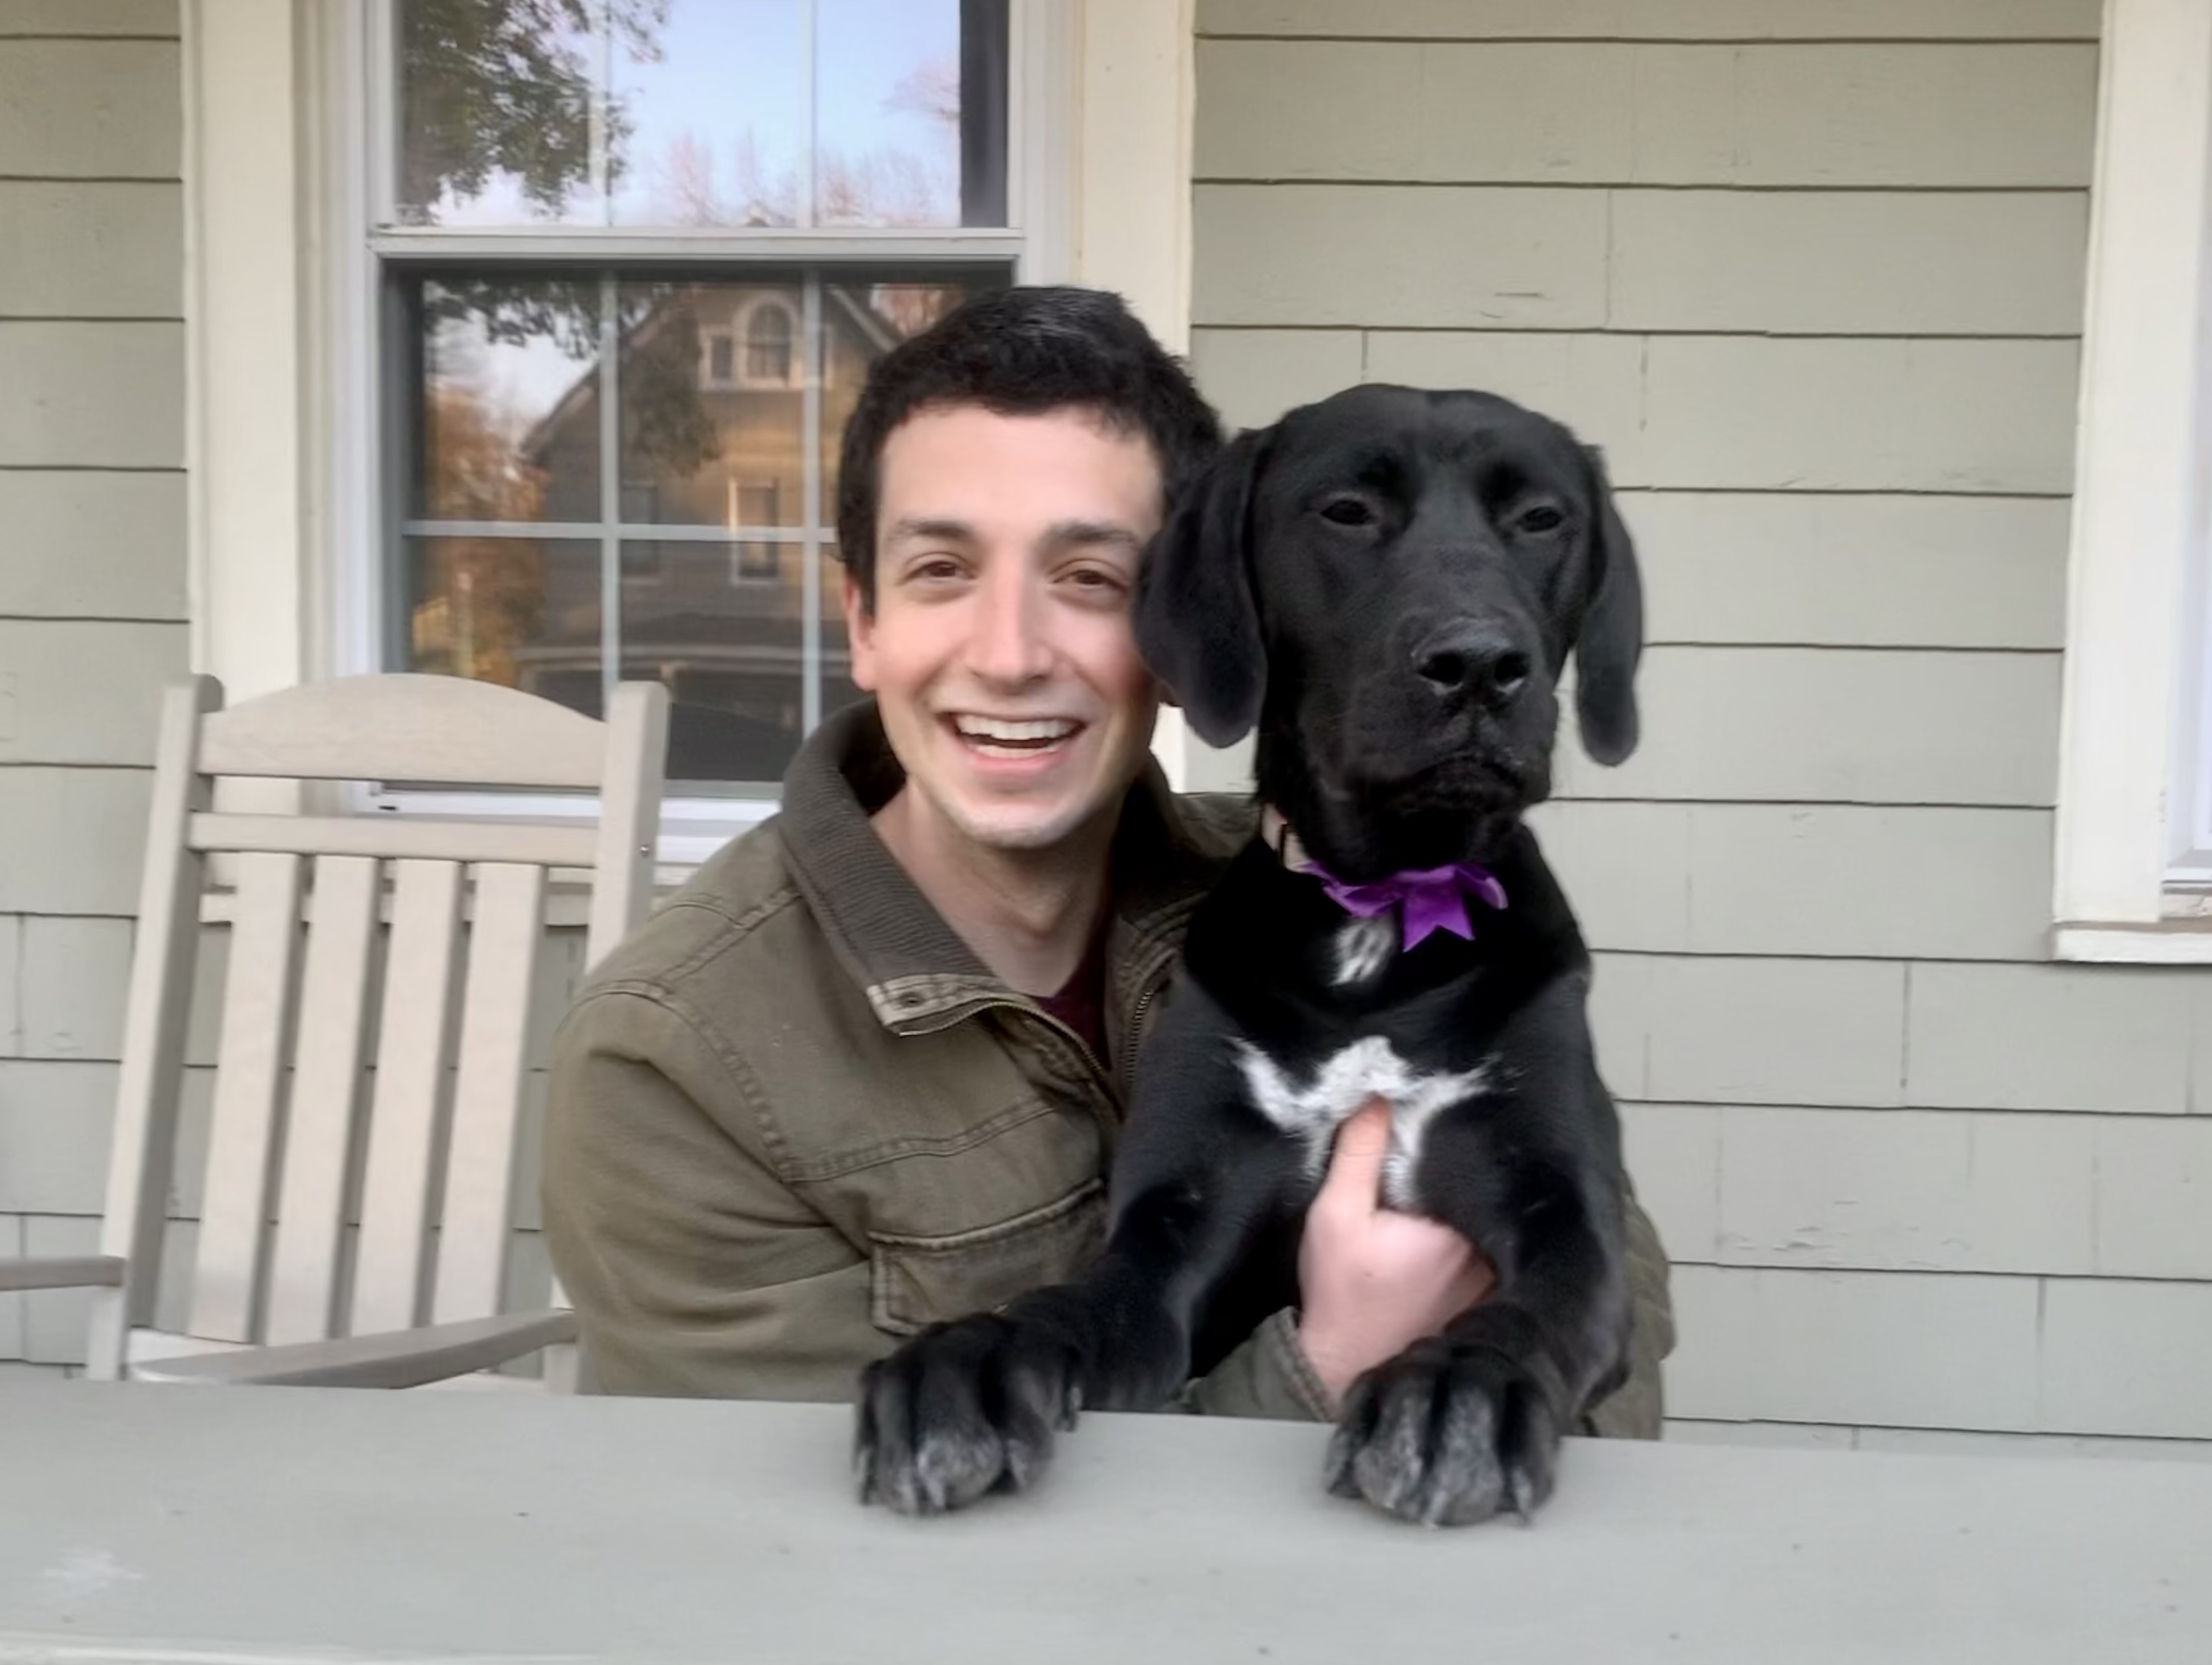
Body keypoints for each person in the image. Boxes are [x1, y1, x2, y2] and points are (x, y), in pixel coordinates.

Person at [542, 284, 1674, 1430]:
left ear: (1184, 631)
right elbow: (820, 1523)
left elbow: (1616, 1325)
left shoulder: (1308, 886)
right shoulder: (678, 1064)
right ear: (865, 620)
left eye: (1089, 578)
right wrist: (1333, 1359)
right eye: (941, 569)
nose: (1011, 656)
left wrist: (1517, 1361)